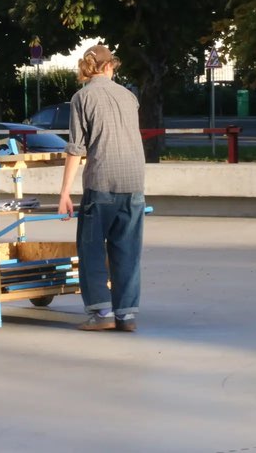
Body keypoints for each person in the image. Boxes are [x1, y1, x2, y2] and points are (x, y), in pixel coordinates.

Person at [58, 44, 146, 332]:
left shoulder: (82, 97)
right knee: (127, 250)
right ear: (111, 67)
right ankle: (127, 315)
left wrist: (64, 193)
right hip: (134, 183)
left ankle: (101, 312)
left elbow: (76, 149)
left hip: (102, 184)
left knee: (92, 249)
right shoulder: (129, 97)